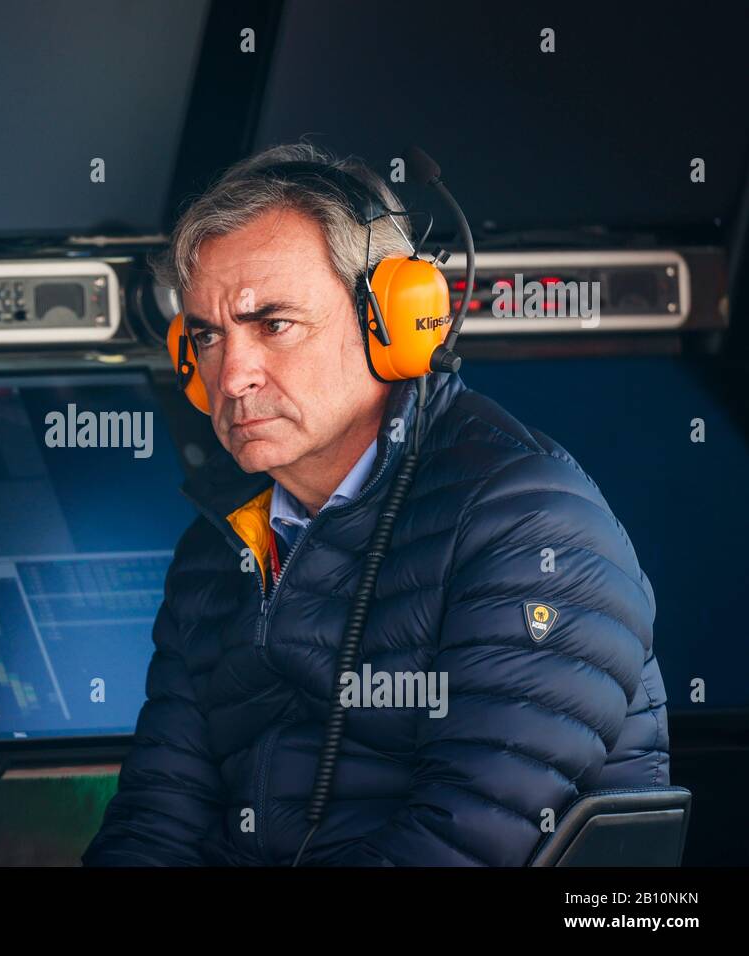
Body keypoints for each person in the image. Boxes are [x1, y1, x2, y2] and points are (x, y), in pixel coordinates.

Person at [81, 144, 670, 866]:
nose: (231, 375)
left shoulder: (527, 523)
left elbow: (465, 843)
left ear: (394, 322)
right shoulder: (218, 551)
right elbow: (154, 823)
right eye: (206, 335)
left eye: (274, 324)